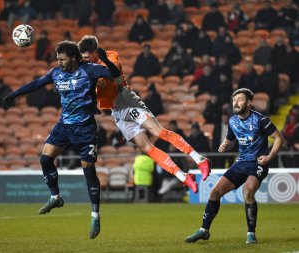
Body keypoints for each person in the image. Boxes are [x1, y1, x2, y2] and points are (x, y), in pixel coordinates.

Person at [2, 41, 121, 239]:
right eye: (58, 58)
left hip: (85, 128)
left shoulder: (90, 70)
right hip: (64, 127)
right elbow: (35, 84)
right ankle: (55, 196)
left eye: (62, 58)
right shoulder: (56, 73)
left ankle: (95, 216)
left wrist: (106, 60)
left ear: (74, 57)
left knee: (89, 172)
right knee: (45, 159)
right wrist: (13, 95)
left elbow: (114, 74)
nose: (59, 62)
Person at [78, 35, 212, 195]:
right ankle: (183, 176)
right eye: (83, 58)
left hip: (127, 101)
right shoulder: (86, 69)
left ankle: (200, 159)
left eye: (87, 57)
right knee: (147, 148)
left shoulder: (110, 56)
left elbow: (114, 73)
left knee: (158, 132)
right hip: (117, 112)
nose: (85, 60)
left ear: (94, 52)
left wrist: (103, 63)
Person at [185, 88, 284, 244]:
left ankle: (251, 233)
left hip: (257, 163)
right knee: (215, 192)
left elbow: (279, 138)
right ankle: (204, 230)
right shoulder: (232, 121)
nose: (235, 103)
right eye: (234, 100)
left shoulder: (261, 120)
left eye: (239, 99)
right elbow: (231, 140)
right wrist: (225, 145)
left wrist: (269, 157)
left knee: (248, 190)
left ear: (249, 102)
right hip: (241, 162)